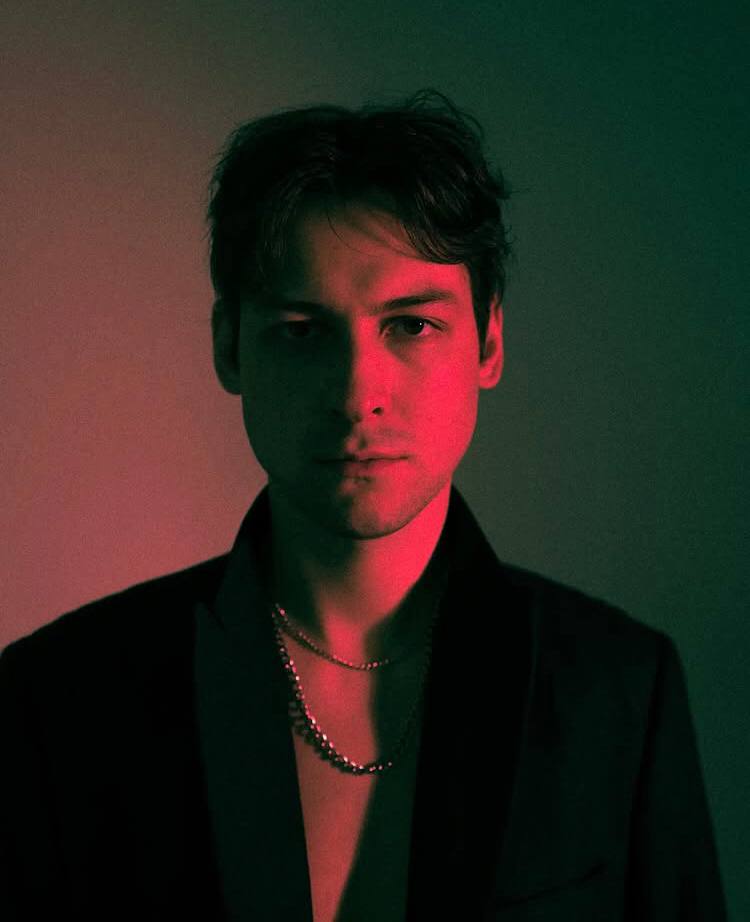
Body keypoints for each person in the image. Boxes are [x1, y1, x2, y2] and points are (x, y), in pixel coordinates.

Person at [0, 89, 726, 921]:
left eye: (411, 326)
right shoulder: (64, 699)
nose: (357, 395)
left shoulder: (617, 692)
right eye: (303, 329)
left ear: (489, 342)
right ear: (229, 345)